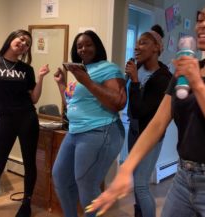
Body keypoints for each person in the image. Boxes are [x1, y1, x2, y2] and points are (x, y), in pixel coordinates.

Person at [86, 1, 205, 216]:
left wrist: (197, 84)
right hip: (183, 178)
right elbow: (158, 123)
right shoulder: (184, 72)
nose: (203, 25)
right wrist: (126, 169)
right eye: (200, 20)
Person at [0, 29, 50, 217]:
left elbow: (34, 99)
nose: (23, 44)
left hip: (27, 118)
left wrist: (40, 78)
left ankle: (26, 202)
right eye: (21, 39)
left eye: (27, 43)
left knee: (30, 162)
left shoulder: (26, 70)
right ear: (11, 39)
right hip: (5, 119)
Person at [52, 30, 126, 217]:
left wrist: (87, 81)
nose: (83, 49)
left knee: (87, 186)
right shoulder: (82, 72)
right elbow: (72, 104)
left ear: (97, 47)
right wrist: (61, 84)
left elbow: (118, 102)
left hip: (99, 130)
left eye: (88, 44)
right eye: (79, 46)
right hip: (75, 131)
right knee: (60, 177)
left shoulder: (109, 68)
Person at [125, 24, 172, 217]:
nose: (137, 47)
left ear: (156, 48)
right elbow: (127, 104)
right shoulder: (137, 68)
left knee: (141, 184)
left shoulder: (164, 78)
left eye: (143, 43)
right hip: (134, 131)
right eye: (136, 43)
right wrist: (130, 78)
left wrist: (135, 81)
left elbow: (140, 110)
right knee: (136, 181)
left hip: (151, 135)